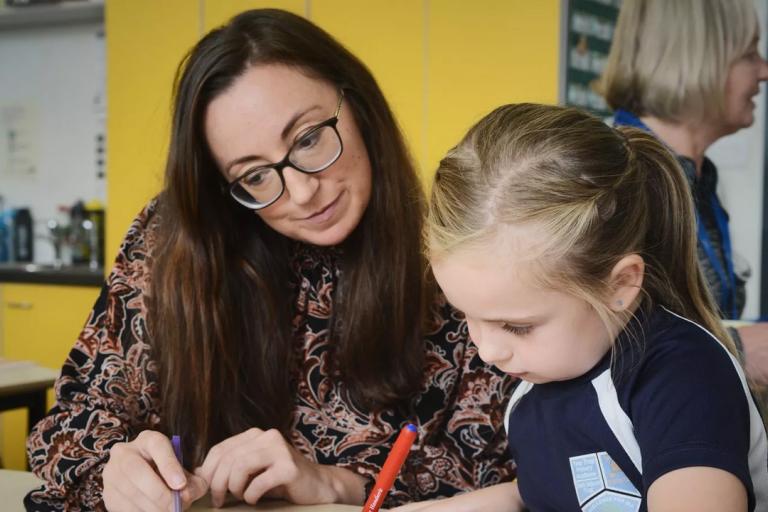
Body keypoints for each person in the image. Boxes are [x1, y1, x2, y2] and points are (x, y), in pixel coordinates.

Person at [24, 9, 515, 512]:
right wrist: (114, 467)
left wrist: (336, 482)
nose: (301, 192)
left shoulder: (452, 254)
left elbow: (509, 469)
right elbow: (68, 421)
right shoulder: (177, 240)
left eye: (308, 139)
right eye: (255, 176)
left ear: (358, 104)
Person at [391, 103, 768, 511]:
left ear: (620, 285)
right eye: (467, 316)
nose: (488, 351)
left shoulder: (684, 378)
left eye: (516, 326)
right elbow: (544, 496)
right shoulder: (539, 387)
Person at [600, 0, 768, 385]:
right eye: (748, 54)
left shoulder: (696, 175)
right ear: (697, 60)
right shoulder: (618, 179)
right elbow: (591, 339)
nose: (763, 71)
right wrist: (739, 349)